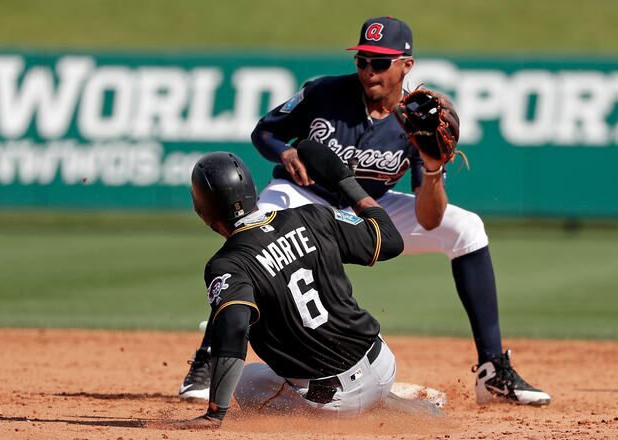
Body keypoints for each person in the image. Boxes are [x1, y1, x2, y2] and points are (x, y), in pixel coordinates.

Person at [180, 16, 551, 406]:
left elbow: (428, 219)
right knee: (259, 229)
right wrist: (285, 152)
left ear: (406, 65)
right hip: (305, 196)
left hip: (368, 205)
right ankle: (208, 358)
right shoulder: (324, 93)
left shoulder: (416, 120)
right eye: (362, 60)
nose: (368, 70)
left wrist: (433, 167)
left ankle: (492, 372)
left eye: (380, 62)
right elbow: (264, 132)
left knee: (468, 228)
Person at [169, 145, 403, 429]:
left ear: (203, 211)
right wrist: (345, 181)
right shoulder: (312, 215)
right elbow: (390, 241)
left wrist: (215, 414)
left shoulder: (229, 264)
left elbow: (234, 330)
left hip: (333, 402)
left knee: (245, 382)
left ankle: (363, 405)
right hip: (383, 365)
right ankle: (382, 399)